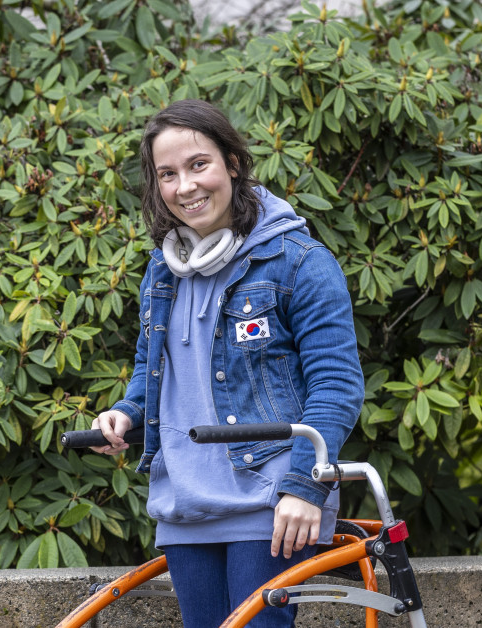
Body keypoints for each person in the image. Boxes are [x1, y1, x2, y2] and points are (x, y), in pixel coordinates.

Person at [91, 99, 364, 628]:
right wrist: (126, 414)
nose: (185, 186)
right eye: (167, 174)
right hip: (185, 504)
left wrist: (305, 486)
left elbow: (336, 385)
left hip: (271, 503)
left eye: (199, 165)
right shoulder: (163, 273)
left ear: (232, 164)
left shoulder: (300, 263)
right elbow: (154, 369)